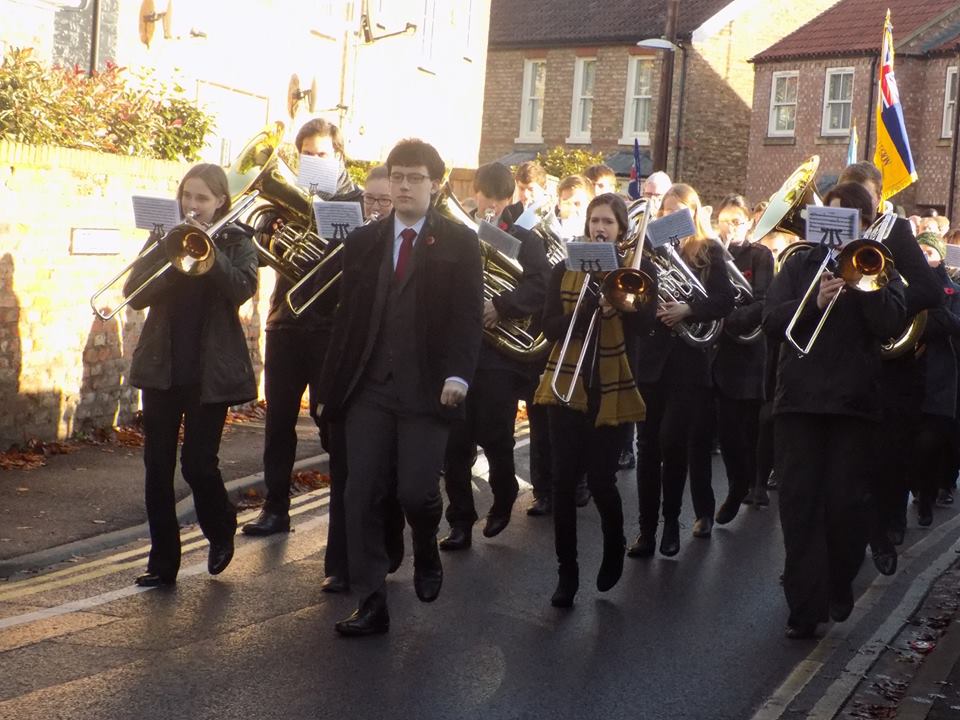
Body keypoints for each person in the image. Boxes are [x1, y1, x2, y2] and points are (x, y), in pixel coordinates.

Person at [316, 139, 483, 636]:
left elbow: (468, 318)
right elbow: (346, 323)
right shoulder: (364, 242)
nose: (404, 185)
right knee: (359, 493)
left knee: (414, 492)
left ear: (435, 185)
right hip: (369, 389)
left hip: (428, 391)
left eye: (414, 178)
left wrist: (459, 375)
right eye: (397, 177)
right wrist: (328, 388)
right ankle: (371, 600)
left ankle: (426, 543)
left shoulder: (460, 241)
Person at [763, 182, 907, 638]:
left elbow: (892, 325)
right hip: (800, 401)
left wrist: (862, 283)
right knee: (799, 504)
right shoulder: (799, 263)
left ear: (864, 226)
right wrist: (814, 303)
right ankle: (804, 608)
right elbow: (770, 319)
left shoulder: (880, 267)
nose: (836, 231)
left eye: (848, 222)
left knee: (846, 505)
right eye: (830, 219)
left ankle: (840, 581)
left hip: (853, 405)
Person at [125, 163, 258, 587]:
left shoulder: (238, 240)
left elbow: (242, 288)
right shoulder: (164, 235)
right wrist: (169, 250)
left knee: (199, 464)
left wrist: (208, 252)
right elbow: (134, 294)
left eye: (202, 198)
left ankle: (220, 529)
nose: (193, 205)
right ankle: (163, 562)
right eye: (188, 196)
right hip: (163, 367)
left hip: (209, 374)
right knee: (157, 468)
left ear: (220, 201)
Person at [533, 193, 655, 607]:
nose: (599, 228)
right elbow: (548, 327)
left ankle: (614, 546)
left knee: (602, 481)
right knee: (564, 484)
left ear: (621, 230)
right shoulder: (563, 268)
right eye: (594, 221)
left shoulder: (636, 270)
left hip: (612, 390)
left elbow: (645, 329)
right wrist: (586, 310)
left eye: (608, 222)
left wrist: (618, 303)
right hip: (566, 388)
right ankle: (566, 575)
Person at [243, 118, 361, 539]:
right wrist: (269, 230)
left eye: (322, 155)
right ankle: (275, 509)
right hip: (286, 323)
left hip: (331, 328)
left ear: (339, 156)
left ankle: (344, 518)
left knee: (331, 424)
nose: (313, 162)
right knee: (278, 423)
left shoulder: (357, 202)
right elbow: (257, 255)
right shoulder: (283, 200)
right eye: (307, 155)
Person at [837, 162, 942, 576]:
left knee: (884, 457)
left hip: (887, 364)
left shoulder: (895, 232)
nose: (852, 207)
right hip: (841, 363)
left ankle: (885, 525)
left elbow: (930, 290)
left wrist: (890, 300)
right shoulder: (828, 234)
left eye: (860, 198)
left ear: (877, 199)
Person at [440, 163, 550, 550]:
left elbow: (540, 285)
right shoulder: (459, 234)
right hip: (461, 353)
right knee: (455, 443)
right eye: (483, 198)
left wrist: (501, 305)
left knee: (496, 436)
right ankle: (459, 521)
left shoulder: (524, 238)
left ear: (507, 201)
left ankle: (504, 496)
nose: (487, 207)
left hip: (500, 356)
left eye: (495, 200)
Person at [629, 183, 735, 558]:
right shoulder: (648, 252)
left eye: (677, 213)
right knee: (646, 446)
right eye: (664, 212)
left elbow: (725, 299)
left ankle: (671, 522)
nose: (668, 219)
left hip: (689, 364)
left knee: (672, 442)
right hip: (652, 360)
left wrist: (688, 310)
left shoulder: (708, 251)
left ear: (691, 215)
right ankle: (645, 530)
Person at [711, 195, 774, 523]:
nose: (731, 227)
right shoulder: (711, 254)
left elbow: (763, 301)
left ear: (749, 222)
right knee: (726, 433)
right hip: (717, 355)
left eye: (737, 221)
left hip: (748, 355)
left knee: (748, 430)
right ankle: (739, 486)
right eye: (725, 221)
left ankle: (752, 483)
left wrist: (728, 317)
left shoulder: (760, 255)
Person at [911, 232, 960, 526]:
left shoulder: (953, 291)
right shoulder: (902, 285)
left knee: (931, 444)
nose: (924, 258)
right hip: (906, 378)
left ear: (940, 257)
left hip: (940, 379)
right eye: (919, 252)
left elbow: (955, 325)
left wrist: (933, 310)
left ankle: (928, 498)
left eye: (929, 253)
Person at [555, 175, 594, 240]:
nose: (572, 209)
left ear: (590, 206)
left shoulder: (595, 235)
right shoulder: (550, 233)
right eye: (566, 203)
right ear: (559, 204)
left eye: (577, 204)